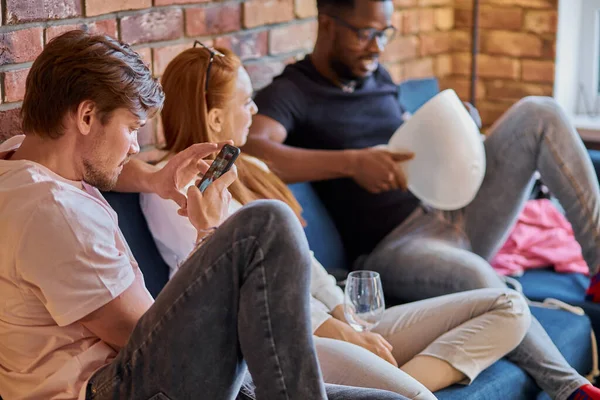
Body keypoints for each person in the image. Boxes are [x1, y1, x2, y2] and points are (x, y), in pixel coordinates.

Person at [0, 30, 410, 400]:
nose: (135, 148)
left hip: (134, 374)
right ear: (87, 116)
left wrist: (156, 180)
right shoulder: (54, 213)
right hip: (115, 387)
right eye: (132, 128)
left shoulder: (20, 161)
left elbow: (105, 168)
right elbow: (159, 344)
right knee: (266, 224)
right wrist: (208, 230)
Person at [241, 0, 600, 398]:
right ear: (327, 24)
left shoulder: (378, 78)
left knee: (540, 112)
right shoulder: (292, 91)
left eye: (384, 34)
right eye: (365, 34)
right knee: (479, 279)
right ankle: (571, 388)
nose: (376, 47)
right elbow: (255, 149)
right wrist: (353, 163)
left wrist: (459, 130)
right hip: (397, 245)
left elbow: (409, 141)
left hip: (451, 210)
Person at [141, 44, 533, 399]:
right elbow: (250, 290)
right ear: (213, 118)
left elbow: (304, 261)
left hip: (331, 320)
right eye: (246, 103)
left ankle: (399, 381)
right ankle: (403, 388)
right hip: (285, 339)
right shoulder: (174, 190)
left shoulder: (251, 168)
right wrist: (338, 332)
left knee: (510, 306)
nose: (255, 111)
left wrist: (348, 316)